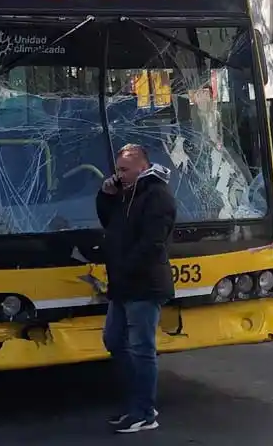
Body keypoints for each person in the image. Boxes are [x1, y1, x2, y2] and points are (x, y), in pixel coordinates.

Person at [96, 143, 176, 434]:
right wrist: (106, 195)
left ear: (143, 167)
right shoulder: (126, 194)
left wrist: (126, 267)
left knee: (142, 348)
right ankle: (137, 404)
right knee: (114, 340)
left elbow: (152, 243)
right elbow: (110, 223)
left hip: (144, 284)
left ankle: (144, 412)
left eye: (125, 170)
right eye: (118, 169)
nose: (119, 175)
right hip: (123, 285)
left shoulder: (156, 196)